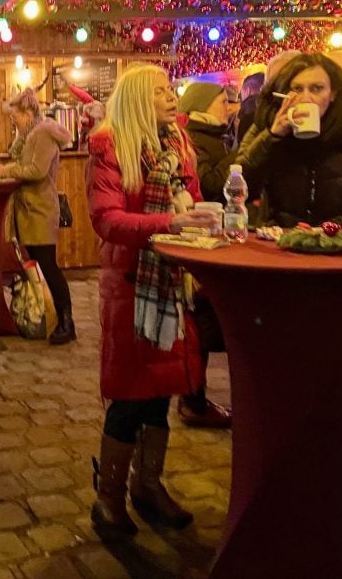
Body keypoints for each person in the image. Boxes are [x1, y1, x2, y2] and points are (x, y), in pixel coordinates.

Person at [86, 63, 218, 536]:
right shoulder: (110, 147)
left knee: (161, 392)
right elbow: (106, 220)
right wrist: (171, 226)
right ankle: (108, 500)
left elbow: (194, 199)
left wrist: (206, 220)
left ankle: (149, 485)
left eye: (171, 89)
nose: (171, 96)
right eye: (161, 91)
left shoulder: (179, 146)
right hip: (132, 286)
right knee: (129, 397)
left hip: (171, 284)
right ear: (141, 97)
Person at [236, 52, 342, 236]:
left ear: (333, 93)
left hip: (340, 247)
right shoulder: (266, 129)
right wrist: (272, 137)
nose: (305, 97)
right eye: (296, 89)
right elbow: (239, 188)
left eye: (317, 88)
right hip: (281, 245)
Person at [0, 87, 76, 345]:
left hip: (40, 209)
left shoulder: (42, 134)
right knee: (37, 267)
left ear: (28, 112)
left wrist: (5, 170)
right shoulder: (30, 134)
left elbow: (36, 170)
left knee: (48, 267)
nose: (13, 121)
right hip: (30, 209)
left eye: (15, 116)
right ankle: (46, 317)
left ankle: (66, 322)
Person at [177, 81, 236, 429]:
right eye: (222, 101)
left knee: (206, 319)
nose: (228, 107)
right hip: (202, 238)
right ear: (202, 104)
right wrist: (240, 155)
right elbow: (213, 184)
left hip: (219, 235)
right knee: (202, 320)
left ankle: (194, 397)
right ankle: (192, 399)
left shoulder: (214, 137)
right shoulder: (195, 141)